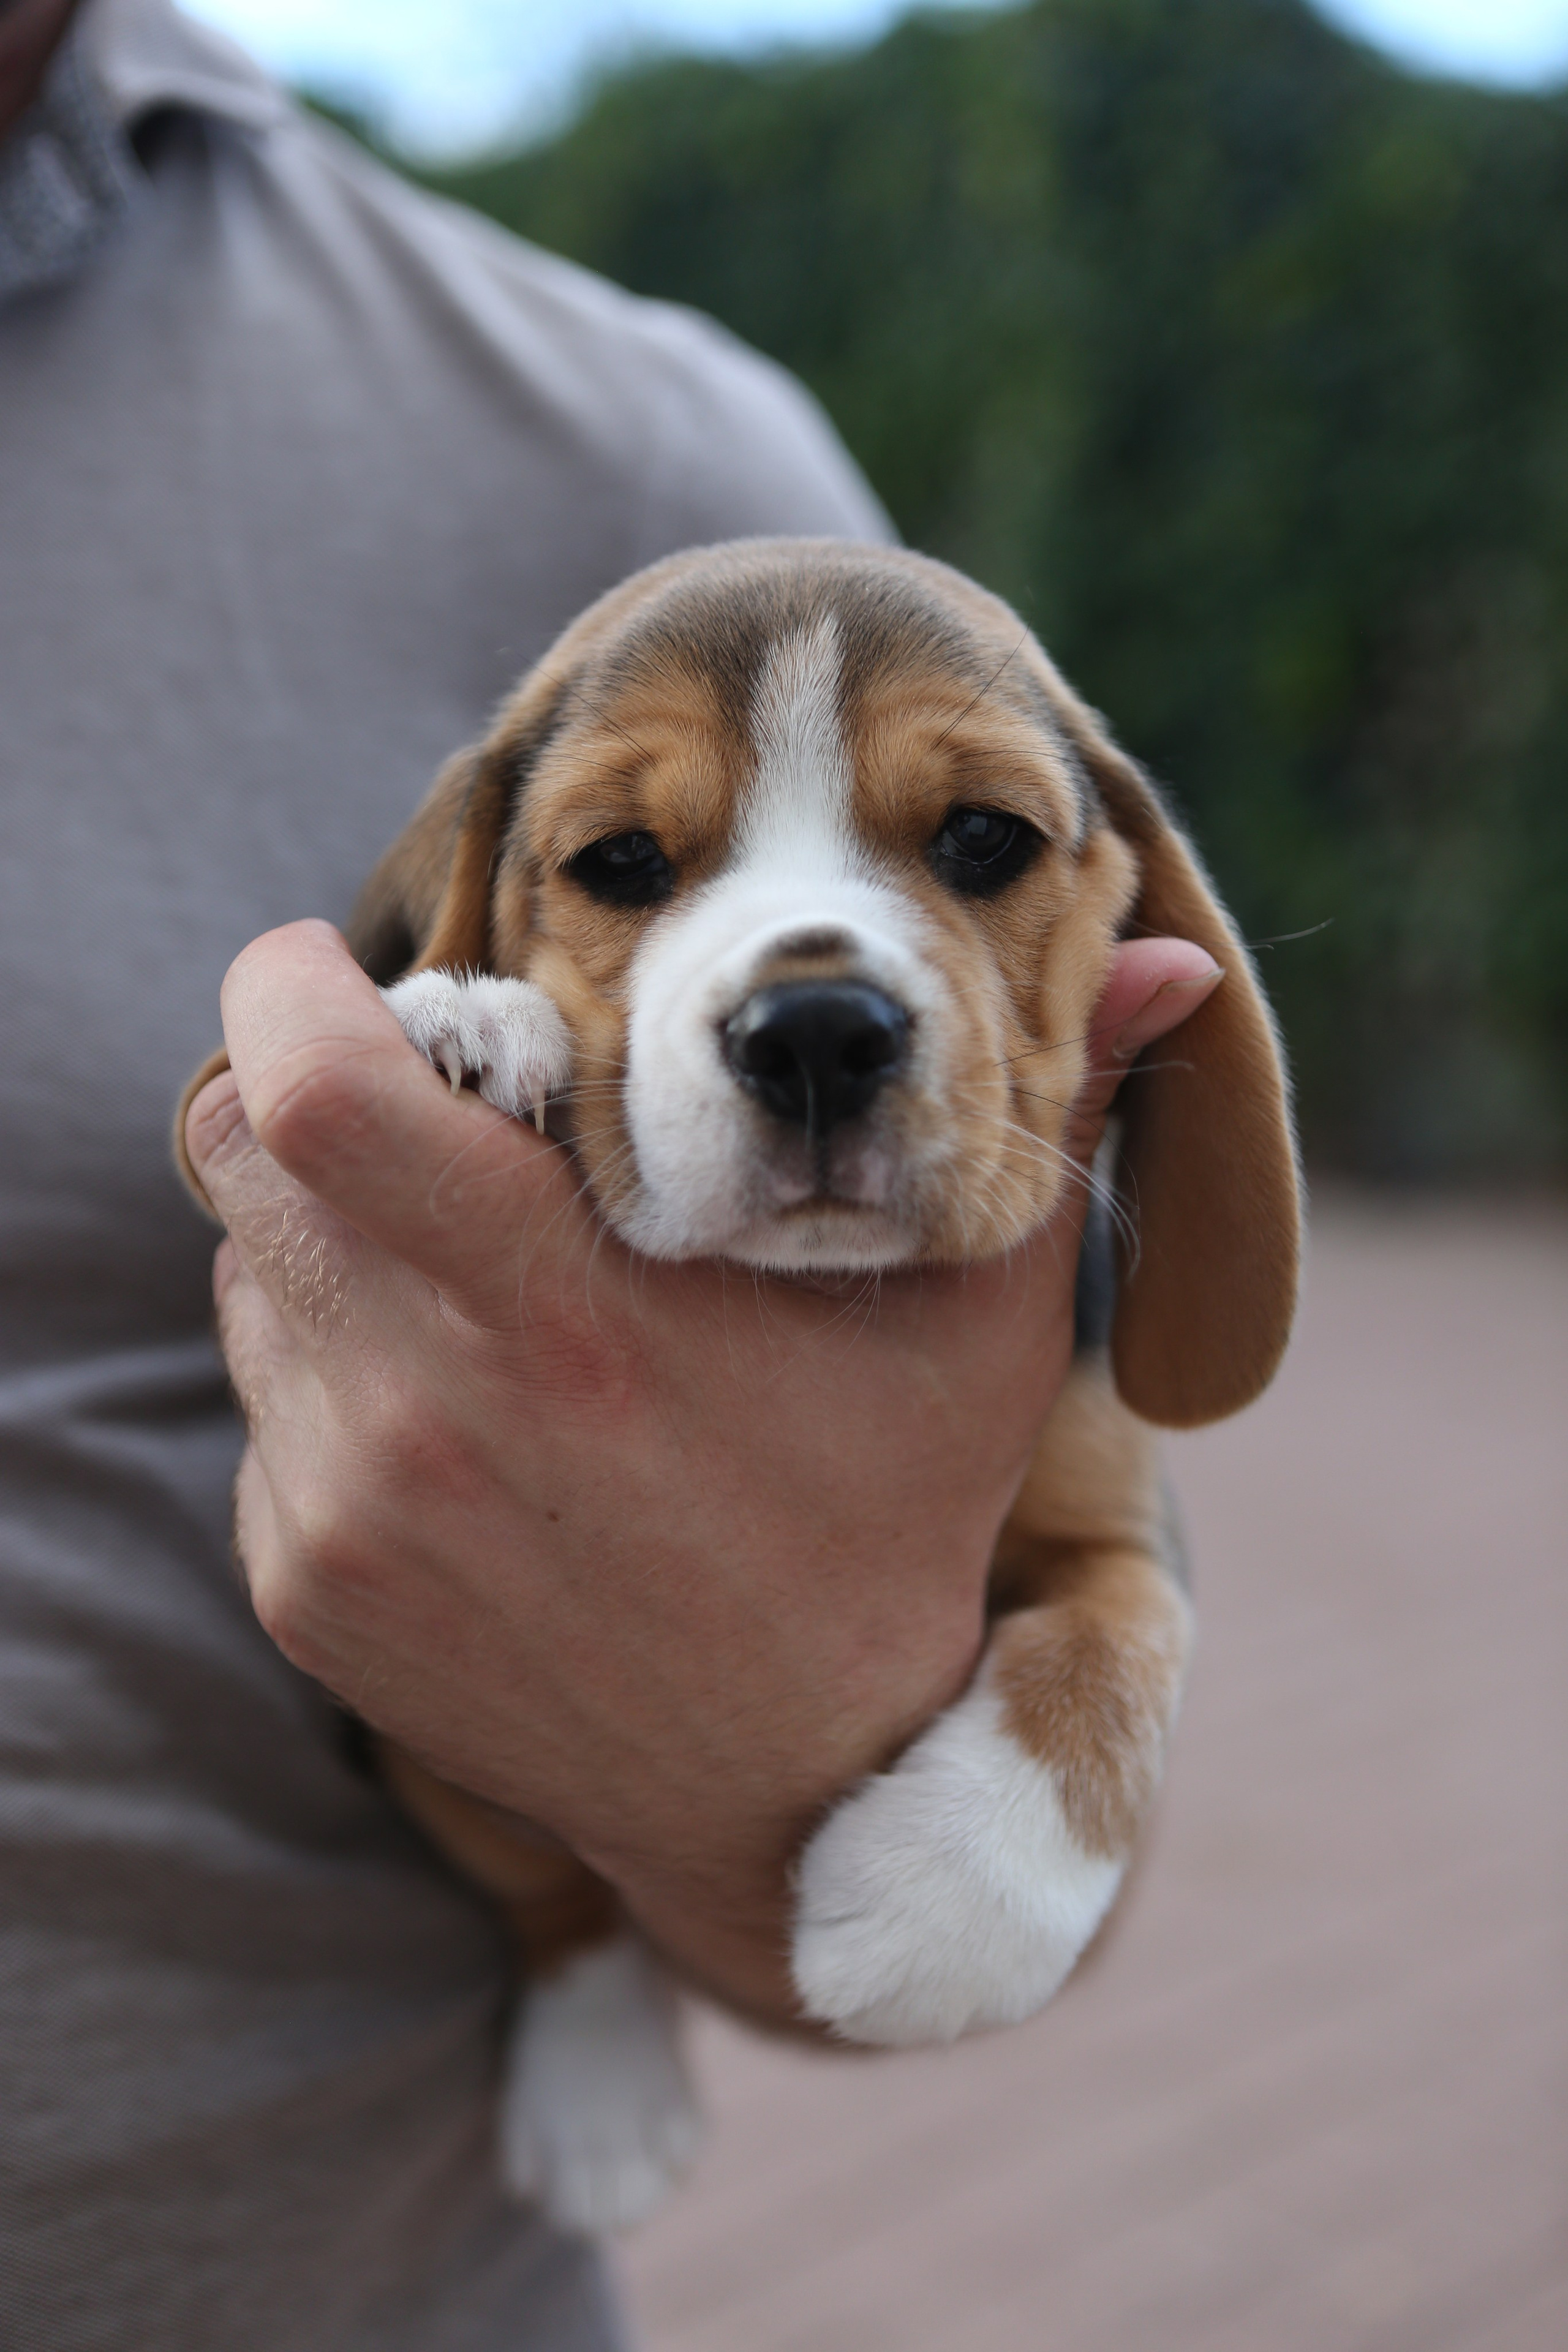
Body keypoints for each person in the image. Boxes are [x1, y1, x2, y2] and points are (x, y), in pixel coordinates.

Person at [0, 0, 1219, 2343]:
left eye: (971, 839)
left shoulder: (643, 449)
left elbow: (1003, 1768)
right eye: (631, 864)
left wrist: (701, 1787)